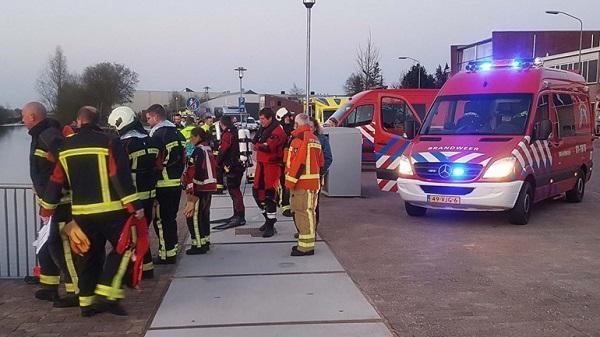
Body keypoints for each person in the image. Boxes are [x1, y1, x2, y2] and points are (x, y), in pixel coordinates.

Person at [40, 106, 144, 316]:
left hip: (81, 214)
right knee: (126, 247)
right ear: (98, 121)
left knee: (88, 256)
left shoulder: (65, 147)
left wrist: (46, 209)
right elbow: (119, 176)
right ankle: (107, 293)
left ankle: (86, 304)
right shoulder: (110, 141)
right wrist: (134, 206)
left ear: (78, 121)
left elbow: (56, 180)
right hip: (112, 211)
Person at [22, 102, 79, 307]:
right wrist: (40, 186)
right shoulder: (41, 134)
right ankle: (49, 285)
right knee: (47, 244)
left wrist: (50, 190)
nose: (21, 120)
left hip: (60, 202)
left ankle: (76, 291)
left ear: (33, 116)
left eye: (23, 116)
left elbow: (64, 163)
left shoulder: (48, 135)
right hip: (50, 200)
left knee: (63, 247)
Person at [108, 106, 162, 279]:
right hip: (150, 194)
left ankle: (133, 271)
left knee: (131, 235)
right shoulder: (153, 140)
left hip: (132, 197)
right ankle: (146, 268)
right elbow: (160, 166)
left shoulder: (124, 145)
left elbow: (118, 172)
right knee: (144, 232)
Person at [145, 104, 186, 265]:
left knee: (161, 221)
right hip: (176, 183)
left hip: (162, 183)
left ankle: (166, 255)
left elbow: (156, 161)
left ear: (156, 117)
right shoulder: (178, 133)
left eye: (149, 119)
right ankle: (172, 250)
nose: (148, 123)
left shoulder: (157, 136)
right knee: (170, 219)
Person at [285, 113, 324, 256]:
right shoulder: (315, 139)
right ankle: (306, 244)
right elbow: (321, 162)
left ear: (297, 124)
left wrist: (289, 182)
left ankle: (306, 247)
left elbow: (297, 163)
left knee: (302, 213)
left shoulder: (300, 139)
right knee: (309, 213)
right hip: (313, 183)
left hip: (302, 184)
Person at [182, 128, 217, 254]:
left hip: (200, 188)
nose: (190, 140)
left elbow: (197, 171)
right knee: (204, 215)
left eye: (192, 137)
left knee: (193, 217)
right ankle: (205, 241)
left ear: (197, 137)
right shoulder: (207, 148)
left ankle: (198, 245)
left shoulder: (199, 150)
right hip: (209, 187)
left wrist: (192, 191)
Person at [252, 108, 286, 238]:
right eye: (260, 119)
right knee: (257, 192)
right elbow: (257, 142)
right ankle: (268, 219)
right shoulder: (264, 129)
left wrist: (259, 145)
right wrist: (260, 144)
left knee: (269, 195)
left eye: (262, 119)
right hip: (262, 165)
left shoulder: (277, 131)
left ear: (270, 118)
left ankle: (270, 224)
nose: (260, 121)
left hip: (272, 166)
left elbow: (268, 147)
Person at [212, 115, 246, 229]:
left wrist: (217, 163)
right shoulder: (235, 131)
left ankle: (240, 216)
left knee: (234, 191)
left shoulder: (228, 134)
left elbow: (223, 150)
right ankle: (237, 214)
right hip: (237, 165)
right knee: (234, 191)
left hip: (233, 166)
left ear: (222, 124)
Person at [311, 117, 333, 226]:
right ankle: (305, 229)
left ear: (315, 127)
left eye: (311, 127)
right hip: (303, 178)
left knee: (314, 205)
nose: (308, 129)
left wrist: (320, 172)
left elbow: (328, 158)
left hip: (315, 178)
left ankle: (313, 228)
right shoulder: (298, 138)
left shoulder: (322, 139)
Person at [275, 108, 294, 217]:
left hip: (289, 160)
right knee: (283, 184)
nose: (289, 118)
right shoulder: (279, 130)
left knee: (287, 184)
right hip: (281, 161)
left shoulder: (290, 129)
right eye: (286, 117)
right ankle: (285, 206)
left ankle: (282, 202)